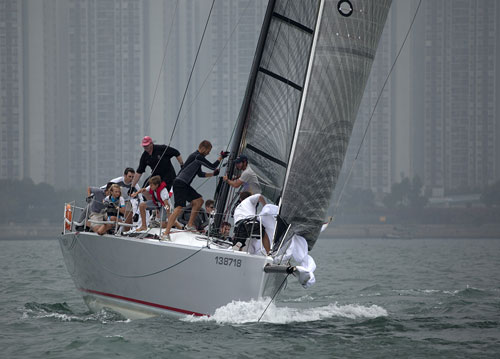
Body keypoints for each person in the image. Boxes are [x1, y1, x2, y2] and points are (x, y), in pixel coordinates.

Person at [163, 140, 227, 240]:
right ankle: (166, 233)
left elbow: (200, 174)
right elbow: (212, 166)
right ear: (203, 148)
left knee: (199, 201)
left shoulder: (197, 158)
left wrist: (213, 174)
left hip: (184, 184)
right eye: (208, 151)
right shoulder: (197, 156)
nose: (208, 153)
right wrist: (221, 157)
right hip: (179, 183)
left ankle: (189, 225)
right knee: (179, 208)